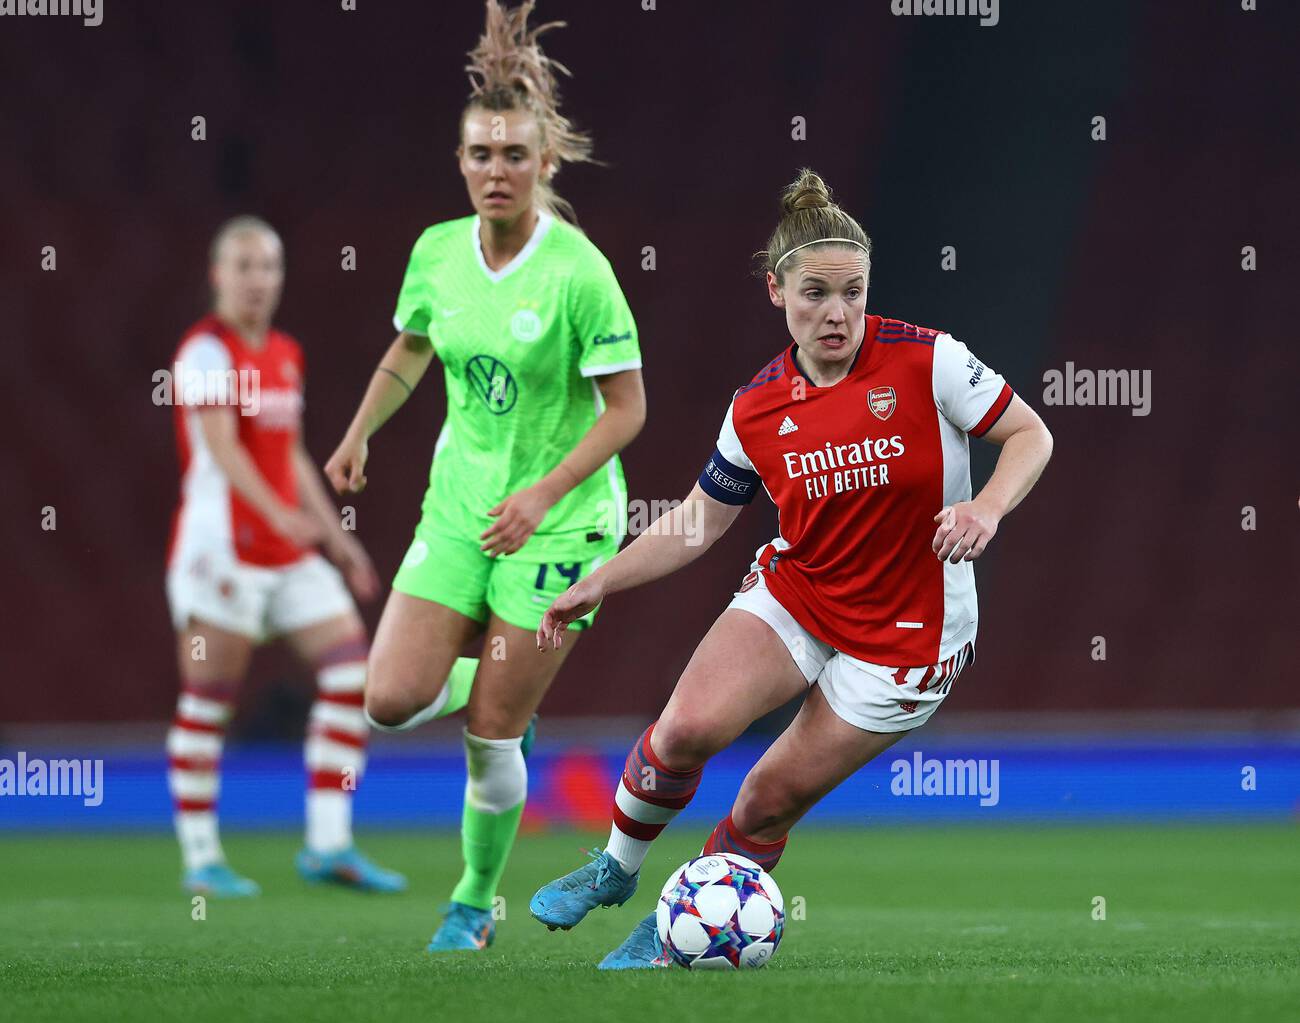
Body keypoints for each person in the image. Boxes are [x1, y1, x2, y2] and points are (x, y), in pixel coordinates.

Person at [528, 168, 1054, 968]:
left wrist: (987, 508)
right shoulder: (756, 407)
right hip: (802, 592)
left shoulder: (930, 362)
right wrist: (603, 578)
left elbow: (1030, 435)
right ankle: (616, 868)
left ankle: (683, 921)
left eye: (853, 292)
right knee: (686, 731)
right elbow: (702, 519)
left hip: (908, 640)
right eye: (815, 293)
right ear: (777, 291)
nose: (837, 312)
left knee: (765, 801)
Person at [324, 0, 645, 951]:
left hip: (561, 523)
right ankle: (507, 677)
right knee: (385, 703)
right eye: (480, 154)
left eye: (513, 154)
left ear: (545, 162)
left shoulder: (578, 274)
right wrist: (359, 433)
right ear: (461, 162)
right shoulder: (436, 252)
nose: (495, 170)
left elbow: (630, 410)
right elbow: (411, 347)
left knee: (492, 737)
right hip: (460, 505)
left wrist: (543, 492)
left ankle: (470, 902)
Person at [165, 215, 409, 897]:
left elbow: (289, 453)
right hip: (221, 553)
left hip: (287, 550)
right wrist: (278, 515)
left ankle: (328, 843)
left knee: (350, 671)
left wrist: (335, 537)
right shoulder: (205, 351)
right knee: (210, 698)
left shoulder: (284, 352)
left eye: (268, 266)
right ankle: (201, 859)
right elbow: (222, 448)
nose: (256, 279)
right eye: (242, 266)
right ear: (218, 275)